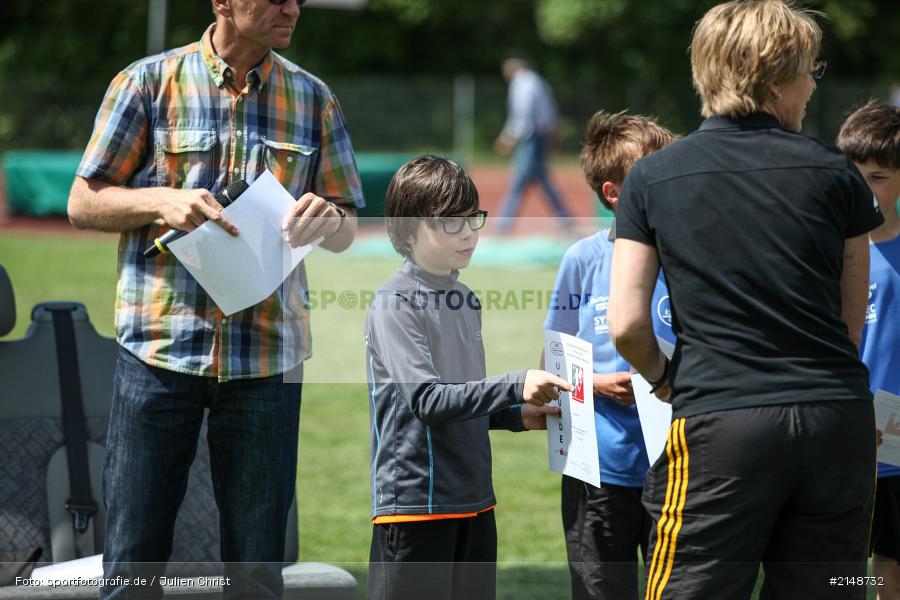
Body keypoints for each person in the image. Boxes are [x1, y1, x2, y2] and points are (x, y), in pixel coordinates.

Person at [66, 0, 364, 598]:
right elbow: (83, 200)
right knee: (132, 566)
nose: (292, 7)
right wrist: (160, 201)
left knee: (256, 573)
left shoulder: (313, 98)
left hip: (266, 362)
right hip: (158, 354)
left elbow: (347, 225)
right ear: (223, 2)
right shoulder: (146, 82)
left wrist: (328, 217)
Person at [607, 1, 884, 598]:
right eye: (811, 69)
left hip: (721, 424)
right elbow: (850, 321)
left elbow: (627, 322)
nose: (814, 84)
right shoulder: (839, 174)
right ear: (776, 78)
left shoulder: (653, 178)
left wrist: (662, 378)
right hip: (836, 422)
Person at [365, 155, 570, 600]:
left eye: (471, 219)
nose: (468, 234)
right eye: (449, 224)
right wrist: (516, 383)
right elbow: (428, 401)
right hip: (417, 508)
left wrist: (517, 413)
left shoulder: (464, 299)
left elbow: (461, 399)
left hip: (475, 503)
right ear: (409, 229)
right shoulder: (394, 303)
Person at [544, 111, 675, 600]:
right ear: (613, 193)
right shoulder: (582, 260)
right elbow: (553, 359)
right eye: (651, 172)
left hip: (676, 465)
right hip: (597, 466)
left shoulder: (688, 259)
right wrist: (597, 384)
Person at [837, 103, 900, 600]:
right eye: (853, 175)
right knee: (837, 565)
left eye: (877, 177)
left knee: (891, 563)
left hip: (898, 445)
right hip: (838, 436)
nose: (863, 188)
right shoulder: (823, 250)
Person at [494, 58, 571, 233]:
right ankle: (565, 218)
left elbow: (523, 113)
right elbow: (549, 112)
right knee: (543, 180)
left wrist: (509, 137)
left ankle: (504, 223)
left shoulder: (522, 83)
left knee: (520, 179)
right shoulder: (537, 81)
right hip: (539, 136)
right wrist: (552, 136)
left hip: (530, 137)